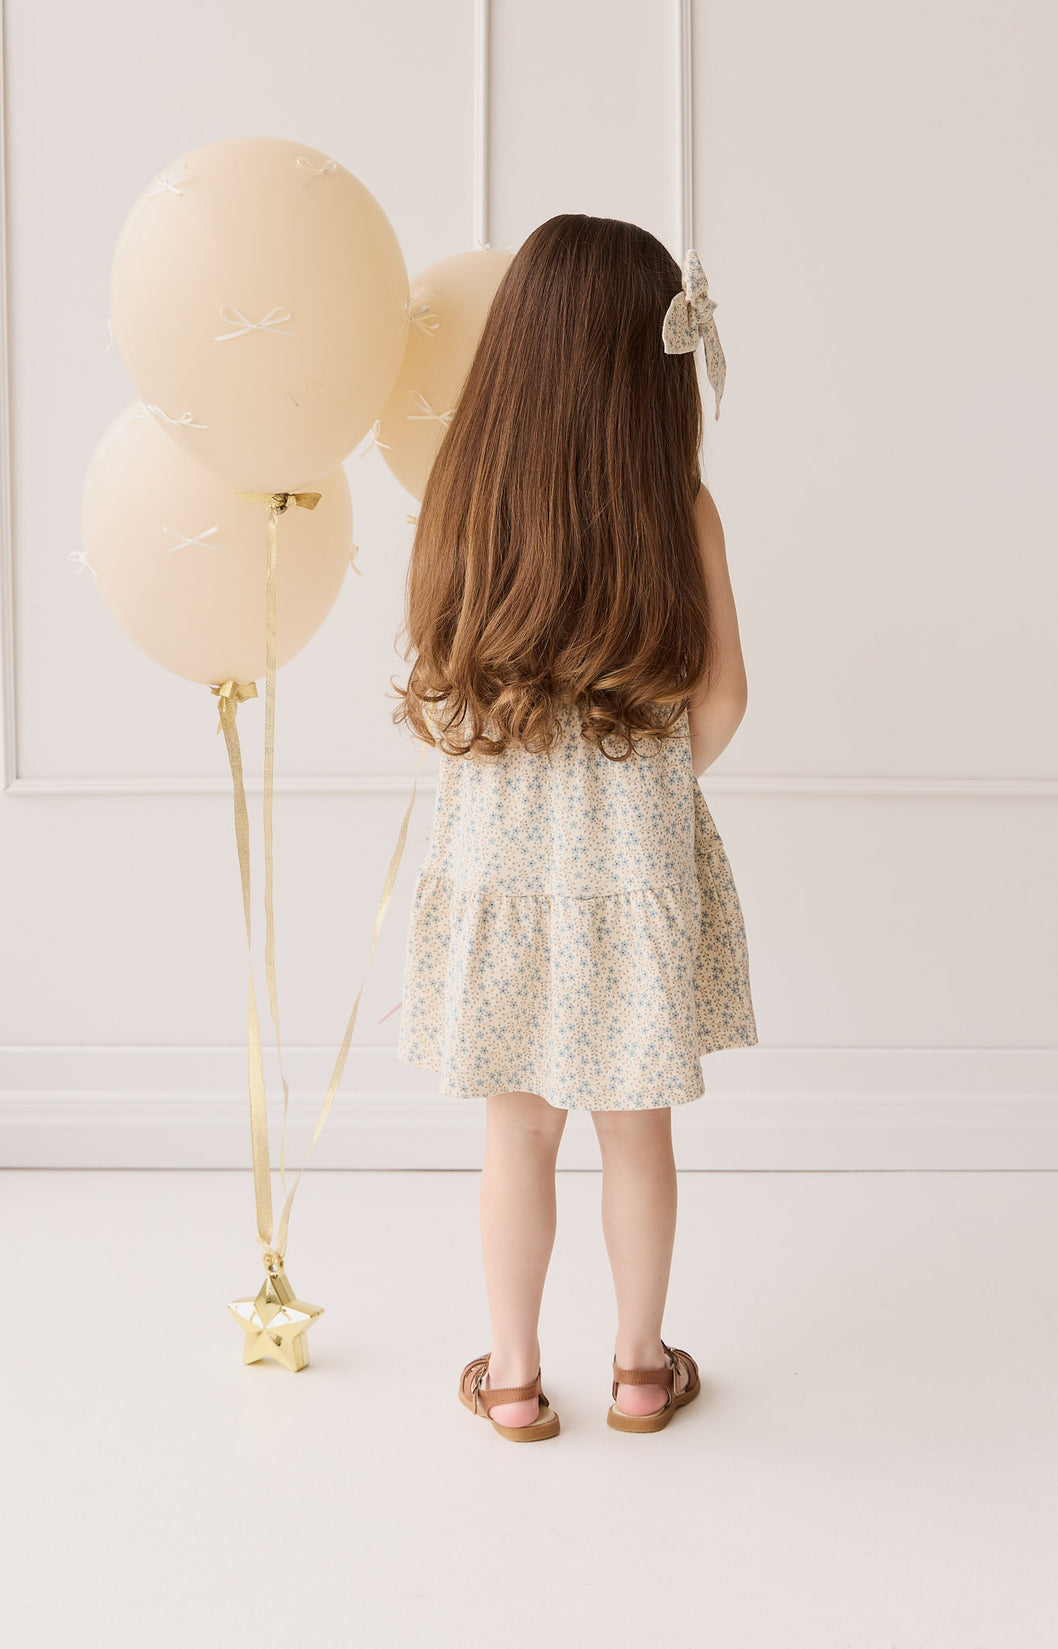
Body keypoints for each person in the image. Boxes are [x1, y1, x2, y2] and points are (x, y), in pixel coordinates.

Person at [391, 214, 758, 1441]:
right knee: (634, 1125)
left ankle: (510, 1379)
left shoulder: (464, 502)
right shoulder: (679, 505)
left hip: (499, 868)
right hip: (633, 866)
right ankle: (640, 1372)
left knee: (517, 1129)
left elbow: (440, 684)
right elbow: (724, 699)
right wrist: (639, 796)